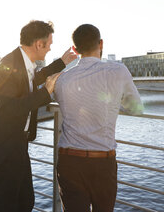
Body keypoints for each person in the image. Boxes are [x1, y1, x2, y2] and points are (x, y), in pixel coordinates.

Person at [0, 20, 77, 212]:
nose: (49, 49)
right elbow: (9, 109)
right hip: (4, 150)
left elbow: (35, 78)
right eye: (49, 44)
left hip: (17, 146)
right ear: (38, 44)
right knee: (7, 206)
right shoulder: (7, 65)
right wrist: (46, 93)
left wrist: (62, 62)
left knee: (25, 202)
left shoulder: (24, 63)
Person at [54, 24, 143, 211]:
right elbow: (136, 109)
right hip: (102, 162)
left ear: (75, 50)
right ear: (101, 43)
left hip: (69, 161)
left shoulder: (62, 79)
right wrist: (112, 106)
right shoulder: (118, 71)